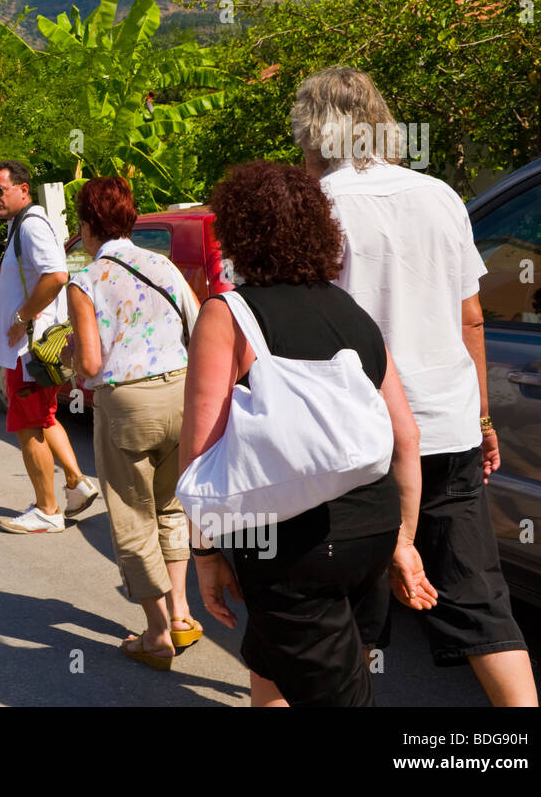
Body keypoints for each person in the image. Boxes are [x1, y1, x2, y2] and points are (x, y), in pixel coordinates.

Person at [294, 66, 537, 706]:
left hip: (356, 438)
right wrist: (484, 419)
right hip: (449, 425)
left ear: (312, 129)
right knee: (479, 595)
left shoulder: (317, 207)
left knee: (348, 607)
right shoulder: (442, 197)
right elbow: (470, 318)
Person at [181, 161, 431, 707]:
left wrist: (204, 554)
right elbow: (406, 437)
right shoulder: (354, 313)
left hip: (284, 543)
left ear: (239, 234)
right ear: (322, 229)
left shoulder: (229, 315)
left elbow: (200, 454)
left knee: (333, 693)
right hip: (371, 528)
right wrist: (403, 544)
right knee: (276, 666)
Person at [65, 176, 200, 667]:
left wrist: (71, 354)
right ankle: (183, 613)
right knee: (170, 507)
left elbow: (93, 366)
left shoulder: (85, 282)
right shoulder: (161, 265)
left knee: (132, 519)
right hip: (182, 393)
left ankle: (158, 633)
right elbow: (200, 322)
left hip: (127, 406)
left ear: (86, 225)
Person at [0, 159, 94, 533]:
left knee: (28, 427)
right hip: (28, 349)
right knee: (43, 417)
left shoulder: (32, 224)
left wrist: (23, 317)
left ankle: (47, 510)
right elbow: (28, 273)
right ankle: (77, 484)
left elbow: (57, 275)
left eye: (0, 190)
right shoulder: (19, 227)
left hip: (27, 349)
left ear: (23, 189)